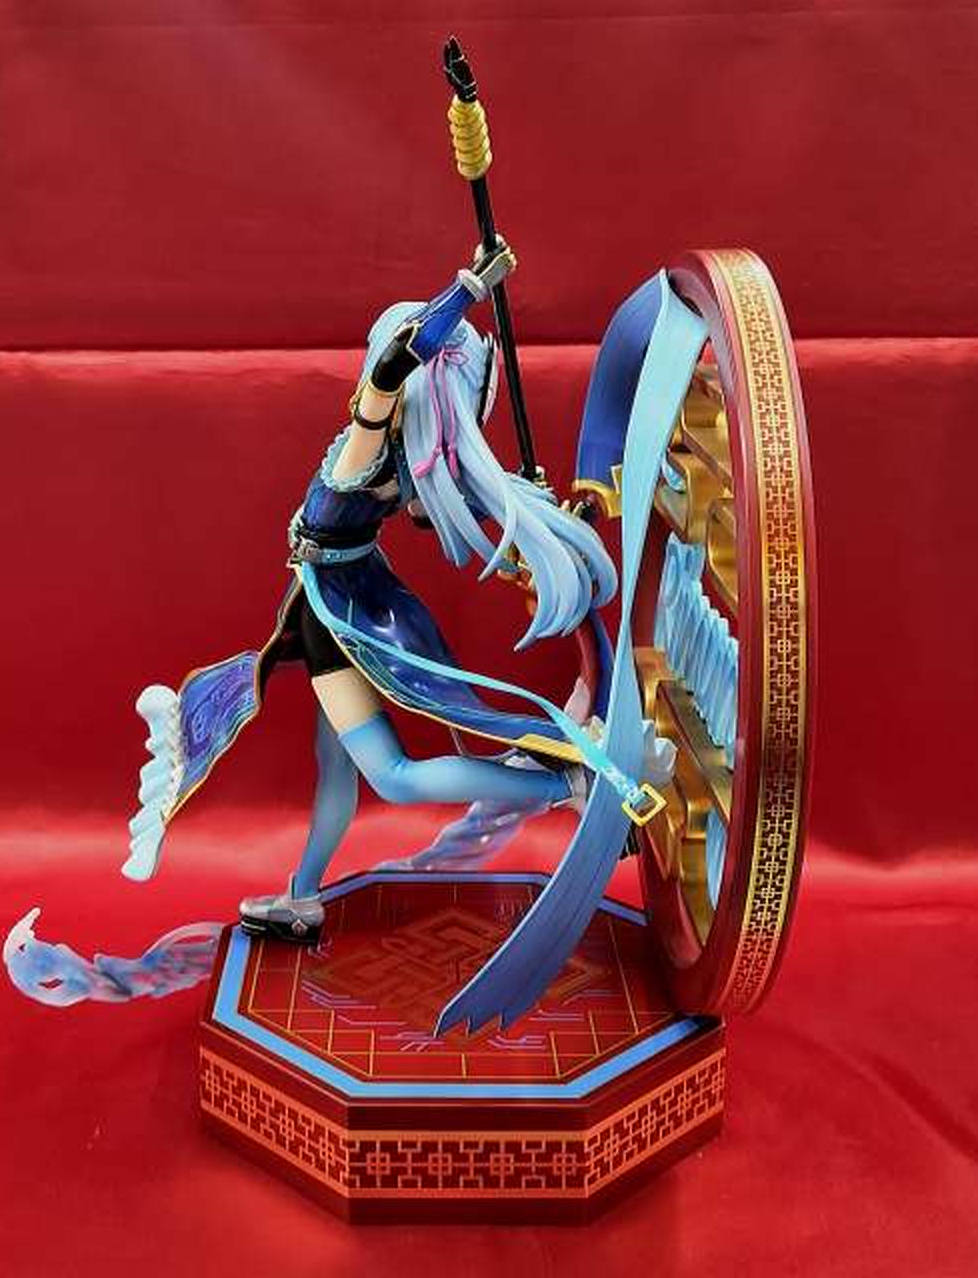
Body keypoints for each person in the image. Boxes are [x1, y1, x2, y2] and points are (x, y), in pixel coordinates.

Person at [126, 239, 619, 942]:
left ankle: (570, 787)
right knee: (336, 763)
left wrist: (467, 292)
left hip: (338, 615)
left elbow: (394, 363)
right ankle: (302, 897)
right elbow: (408, 393)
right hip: (346, 600)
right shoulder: (407, 461)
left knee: (392, 777)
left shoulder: (370, 442)